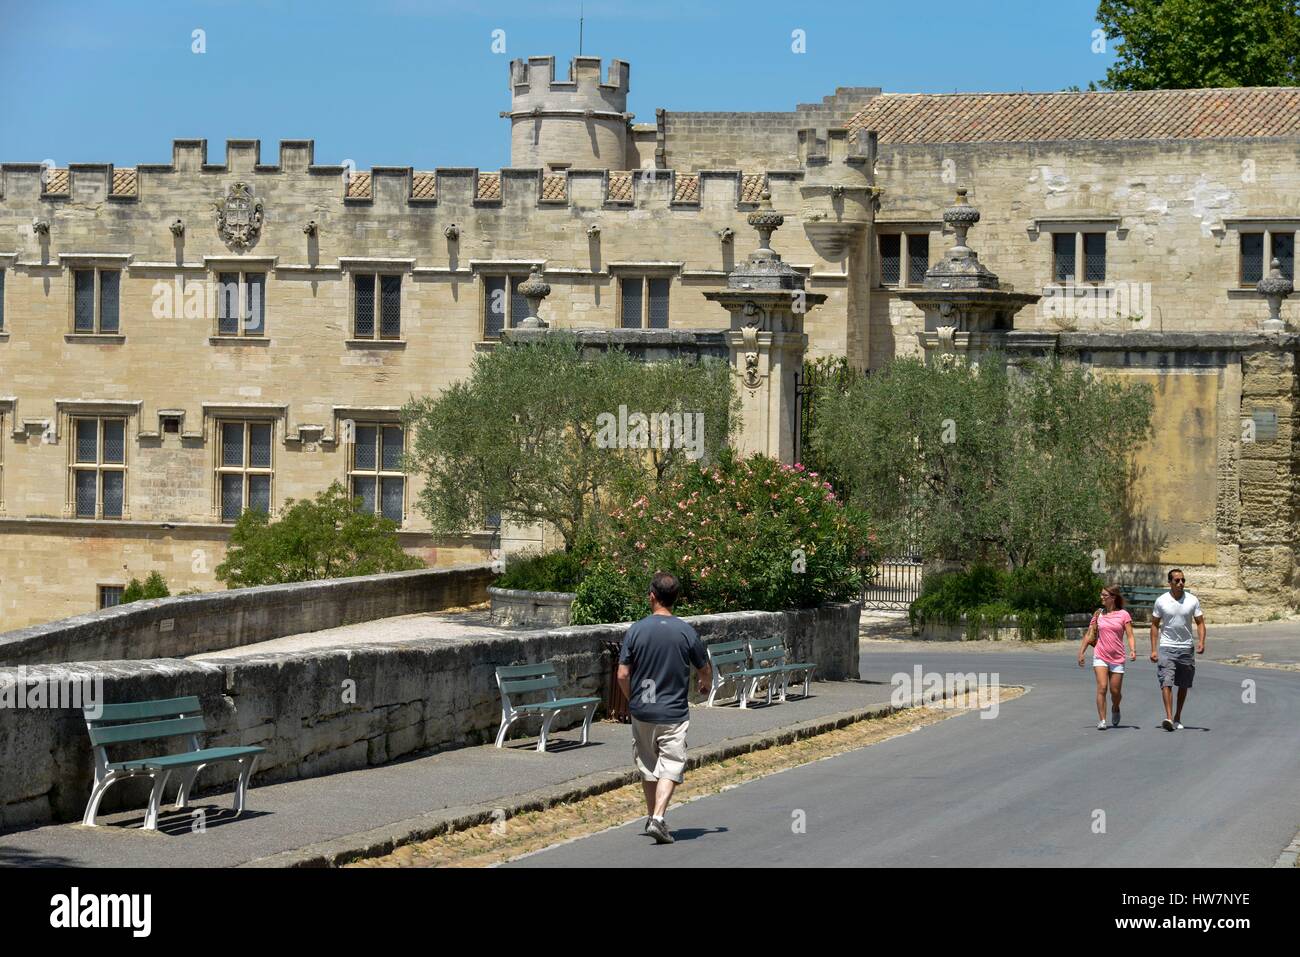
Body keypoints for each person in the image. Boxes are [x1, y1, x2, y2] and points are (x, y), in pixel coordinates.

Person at [616, 571, 712, 845]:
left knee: (648, 765)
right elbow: (703, 667)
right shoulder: (685, 631)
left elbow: (623, 674)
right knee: (671, 764)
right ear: (676, 599)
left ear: (652, 596)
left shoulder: (636, 629)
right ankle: (658, 818)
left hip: (642, 711)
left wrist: (632, 699)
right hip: (672, 712)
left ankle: (651, 817)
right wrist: (705, 684)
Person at [1150, 568, 1206, 731]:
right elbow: (1154, 625)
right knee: (1166, 681)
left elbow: (1200, 622)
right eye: (1177, 580)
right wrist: (1153, 649)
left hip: (1186, 647)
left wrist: (1201, 641)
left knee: (1183, 684)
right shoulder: (1161, 601)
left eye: (1183, 580)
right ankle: (1168, 716)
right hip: (1167, 646)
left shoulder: (1192, 600)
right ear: (1170, 583)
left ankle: (1177, 716)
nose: (1181, 583)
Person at [1077, 585, 1137, 730]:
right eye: (1101, 594)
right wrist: (1081, 652)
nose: (1102, 597)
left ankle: (1115, 707)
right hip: (1100, 655)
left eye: (1105, 595)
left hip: (1117, 657)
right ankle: (1102, 720)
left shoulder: (1123, 614)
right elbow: (1089, 634)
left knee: (1115, 692)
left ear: (1113, 597)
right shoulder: (1098, 614)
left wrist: (1133, 650)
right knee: (1102, 687)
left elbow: (1129, 635)